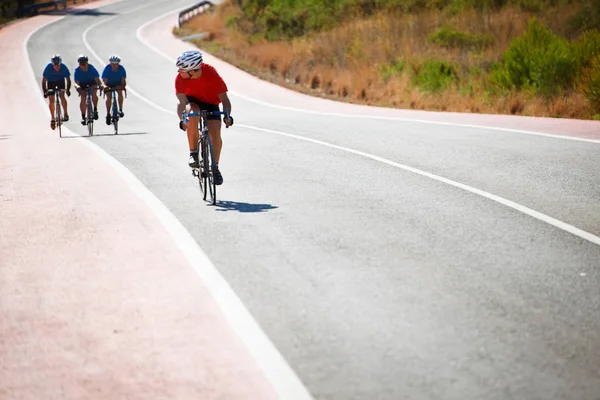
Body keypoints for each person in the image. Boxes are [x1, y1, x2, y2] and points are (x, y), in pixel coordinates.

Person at [175, 50, 234, 185]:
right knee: (192, 114)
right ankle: (193, 153)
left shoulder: (211, 73)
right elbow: (181, 103)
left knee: (215, 134)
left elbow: (224, 98)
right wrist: (182, 119)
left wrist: (227, 116)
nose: (179, 72)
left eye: (182, 70)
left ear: (193, 71)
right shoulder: (180, 78)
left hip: (211, 103)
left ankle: (215, 167)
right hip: (192, 101)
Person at [41, 54, 71, 130]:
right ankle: (52, 118)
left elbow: (68, 79)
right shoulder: (48, 67)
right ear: (52, 64)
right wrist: (45, 91)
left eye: (58, 65)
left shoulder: (64, 67)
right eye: (55, 65)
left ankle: (65, 113)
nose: (57, 67)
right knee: (51, 101)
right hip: (51, 82)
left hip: (60, 81)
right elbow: (44, 81)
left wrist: (67, 89)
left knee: (62, 96)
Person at [73, 54, 102, 125]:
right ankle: (83, 117)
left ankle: (95, 109)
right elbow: (76, 83)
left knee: (94, 93)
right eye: (81, 64)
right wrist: (78, 87)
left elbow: (97, 80)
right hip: (82, 84)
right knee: (83, 98)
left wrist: (100, 86)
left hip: (92, 83)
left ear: (87, 63)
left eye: (84, 64)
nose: (83, 66)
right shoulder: (77, 71)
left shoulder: (92, 68)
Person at [101, 54, 127, 125]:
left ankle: (120, 109)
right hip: (108, 84)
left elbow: (123, 81)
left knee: (120, 92)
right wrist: (106, 87)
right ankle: (108, 114)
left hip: (118, 84)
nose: (114, 66)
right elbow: (104, 82)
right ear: (110, 63)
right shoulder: (107, 69)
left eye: (116, 64)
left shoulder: (121, 69)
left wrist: (122, 86)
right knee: (109, 97)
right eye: (113, 64)